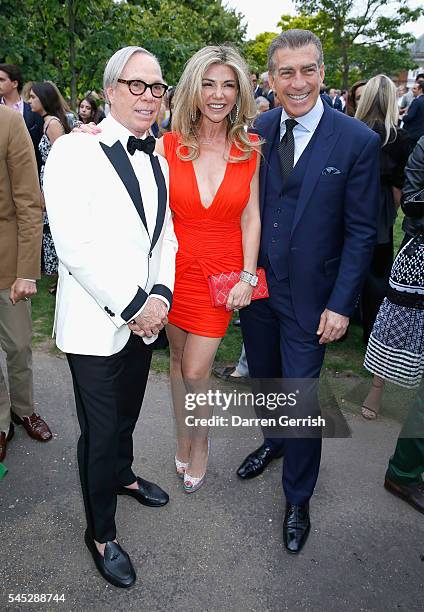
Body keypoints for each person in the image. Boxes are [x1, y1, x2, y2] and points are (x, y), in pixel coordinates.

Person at [237, 29, 380, 554]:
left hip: (313, 300)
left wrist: (342, 304)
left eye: (307, 71)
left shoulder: (356, 141)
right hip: (257, 291)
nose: (297, 83)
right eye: (285, 73)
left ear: (322, 73)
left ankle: (297, 497)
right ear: (270, 79)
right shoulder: (258, 128)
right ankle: (273, 444)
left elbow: (364, 231)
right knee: (267, 383)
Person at [43, 46, 177, 588]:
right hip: (98, 323)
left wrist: (161, 296)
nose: (149, 96)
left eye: (157, 87)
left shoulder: (160, 156)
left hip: (145, 319)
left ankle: (122, 477)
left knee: (125, 417)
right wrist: (134, 306)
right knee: (99, 432)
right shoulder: (74, 150)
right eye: (137, 85)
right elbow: (75, 244)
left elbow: (164, 236)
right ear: (111, 90)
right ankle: (101, 533)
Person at [155, 45, 261, 493]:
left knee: (198, 371)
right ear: (193, 89)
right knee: (177, 362)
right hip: (176, 271)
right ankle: (183, 433)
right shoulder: (168, 144)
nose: (218, 94)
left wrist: (248, 275)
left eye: (228, 85)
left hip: (221, 277)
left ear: (239, 93)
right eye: (208, 83)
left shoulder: (249, 147)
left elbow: (251, 216)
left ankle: (201, 443)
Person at [0, 106, 52, 463]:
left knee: (18, 346)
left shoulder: (8, 122)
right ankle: (1, 423)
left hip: (7, 262)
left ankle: (23, 408)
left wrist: (26, 271)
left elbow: (29, 202)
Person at [363, 135, 424, 418]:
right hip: (419, 248)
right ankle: (376, 390)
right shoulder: (423, 145)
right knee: (395, 322)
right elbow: (411, 200)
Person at [354, 75, 411, 354]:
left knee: (342, 264)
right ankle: (370, 335)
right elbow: (399, 185)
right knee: (377, 274)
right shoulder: (398, 138)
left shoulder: (351, 130)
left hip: (349, 203)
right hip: (380, 208)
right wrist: (390, 211)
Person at [29, 82, 71, 281]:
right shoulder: (45, 122)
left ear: (44, 99)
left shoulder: (53, 124)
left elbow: (63, 158)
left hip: (54, 181)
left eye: (33, 97)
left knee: (54, 228)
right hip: (46, 178)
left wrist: (48, 190)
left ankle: (58, 274)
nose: (30, 101)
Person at [0, 64, 44, 172]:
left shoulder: (33, 111)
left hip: (28, 172)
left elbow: (39, 149)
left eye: (1, 80)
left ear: (15, 83)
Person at [402, 80, 424, 146]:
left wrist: (404, 116)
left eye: (415, 88)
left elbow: (409, 117)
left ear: (421, 90)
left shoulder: (417, 101)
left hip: (413, 134)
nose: (412, 90)